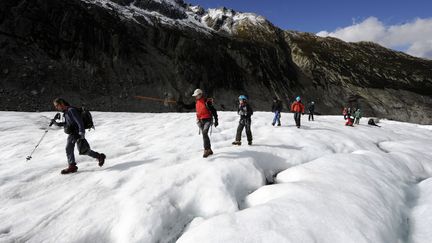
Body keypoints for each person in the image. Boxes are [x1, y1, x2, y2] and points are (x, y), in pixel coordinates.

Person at [52, 98, 106, 174]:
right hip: (73, 133)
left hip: (76, 133)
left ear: (62, 104)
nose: (56, 107)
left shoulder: (71, 110)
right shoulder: (66, 112)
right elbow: (68, 123)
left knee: (70, 148)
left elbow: (79, 121)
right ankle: (99, 157)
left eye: (57, 105)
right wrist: (57, 123)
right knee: (83, 150)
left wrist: (81, 133)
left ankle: (72, 166)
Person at [178, 89, 218, 158]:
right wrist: (182, 104)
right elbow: (188, 107)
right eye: (195, 96)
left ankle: (206, 150)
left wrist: (216, 120)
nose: (195, 97)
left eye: (196, 95)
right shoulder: (196, 102)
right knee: (204, 135)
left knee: (205, 133)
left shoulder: (206, 102)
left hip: (208, 120)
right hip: (200, 121)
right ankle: (209, 149)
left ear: (200, 94)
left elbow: (214, 111)